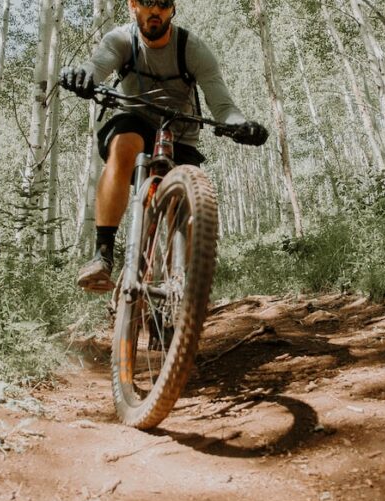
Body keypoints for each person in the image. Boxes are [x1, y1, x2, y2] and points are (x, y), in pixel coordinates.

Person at [60, 0, 268, 293]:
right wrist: (83, 76)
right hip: (134, 118)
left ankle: (184, 284)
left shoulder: (193, 48)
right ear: (133, 5)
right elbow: (97, 65)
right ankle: (103, 255)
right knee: (125, 144)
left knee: (186, 202)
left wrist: (241, 124)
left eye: (163, 4)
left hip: (179, 133)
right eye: (147, 2)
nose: (154, 11)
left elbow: (223, 105)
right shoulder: (121, 39)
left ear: (172, 9)